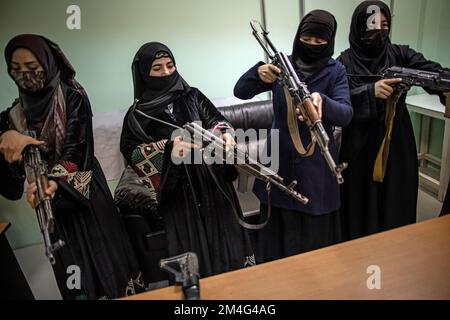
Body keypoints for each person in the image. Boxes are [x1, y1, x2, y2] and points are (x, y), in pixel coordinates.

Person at [0, 34, 144, 299]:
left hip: (85, 193)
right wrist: (6, 141)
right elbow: (9, 183)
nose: (24, 75)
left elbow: (77, 150)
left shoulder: (72, 96)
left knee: (109, 262)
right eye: (15, 69)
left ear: (48, 62)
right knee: (75, 271)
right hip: (52, 205)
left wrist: (54, 183)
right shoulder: (14, 115)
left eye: (32, 67)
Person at [120, 42, 255, 277]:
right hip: (178, 195)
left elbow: (217, 120)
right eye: (157, 68)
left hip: (212, 184)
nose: (166, 73)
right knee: (193, 262)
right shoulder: (136, 116)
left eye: (170, 66)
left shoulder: (191, 95)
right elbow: (132, 153)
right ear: (144, 74)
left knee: (231, 253)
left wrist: (225, 134)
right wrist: (170, 149)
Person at [234, 10, 353, 263]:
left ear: (330, 42)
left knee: (316, 249)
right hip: (278, 159)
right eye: (307, 39)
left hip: (318, 166)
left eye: (320, 42)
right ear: (299, 36)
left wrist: (323, 103)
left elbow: (345, 114)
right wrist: (258, 73)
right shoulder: (281, 65)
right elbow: (240, 92)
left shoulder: (336, 71)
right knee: (275, 240)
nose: (312, 46)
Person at [338, 1, 450, 240]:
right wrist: (370, 91)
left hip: (396, 141)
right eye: (372, 25)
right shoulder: (343, 62)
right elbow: (335, 101)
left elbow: (432, 73)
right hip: (359, 147)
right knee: (360, 206)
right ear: (358, 27)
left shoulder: (401, 54)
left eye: (384, 25)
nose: (378, 31)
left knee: (396, 201)